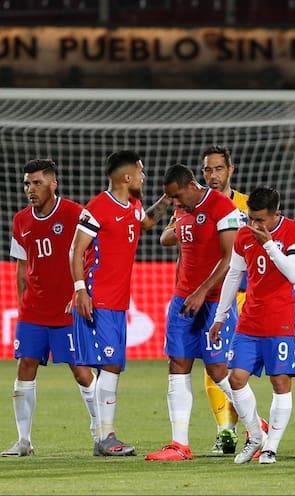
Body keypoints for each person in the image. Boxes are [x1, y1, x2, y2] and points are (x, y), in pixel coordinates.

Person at [70, 150, 172, 457]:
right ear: (127, 177)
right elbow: (76, 251)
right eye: (141, 172)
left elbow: (145, 223)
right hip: (97, 297)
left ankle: (104, 436)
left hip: (117, 301)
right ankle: (105, 436)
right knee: (110, 365)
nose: (144, 177)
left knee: (111, 367)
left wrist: (167, 200)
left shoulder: (134, 205)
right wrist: (80, 290)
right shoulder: (98, 207)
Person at [144, 164, 242, 461]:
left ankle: (255, 426)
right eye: (170, 199)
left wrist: (201, 291)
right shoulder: (181, 209)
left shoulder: (221, 206)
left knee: (217, 370)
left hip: (213, 300)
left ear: (190, 186)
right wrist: (186, 291)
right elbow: (156, 230)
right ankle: (179, 444)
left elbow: (230, 258)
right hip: (182, 300)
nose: (175, 203)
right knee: (178, 365)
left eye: (176, 197)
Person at [1, 159, 98, 457]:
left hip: (68, 309)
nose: (31, 189)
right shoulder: (21, 221)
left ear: (53, 184)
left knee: (81, 371)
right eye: (27, 183)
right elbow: (21, 270)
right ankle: (24, 441)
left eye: (37, 183)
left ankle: (101, 434)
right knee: (24, 367)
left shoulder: (74, 214)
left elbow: (93, 256)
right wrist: (22, 308)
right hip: (34, 312)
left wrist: (81, 291)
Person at [209, 186, 295, 465]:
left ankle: (271, 448)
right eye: (251, 219)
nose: (254, 225)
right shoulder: (243, 234)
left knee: (280, 383)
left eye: (260, 220)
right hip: (250, 320)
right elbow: (234, 275)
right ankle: (255, 436)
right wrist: (220, 316)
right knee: (236, 378)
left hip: (282, 322)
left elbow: (294, 274)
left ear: (276, 214)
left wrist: (267, 244)